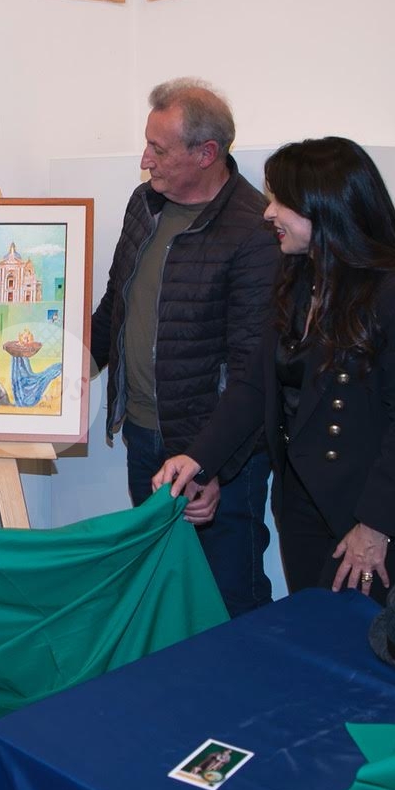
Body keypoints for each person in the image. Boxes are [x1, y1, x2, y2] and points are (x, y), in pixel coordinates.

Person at [154, 137, 395, 606]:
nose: (269, 213)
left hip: (373, 516)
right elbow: (254, 386)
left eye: (282, 202)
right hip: (303, 507)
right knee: (312, 637)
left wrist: (374, 527)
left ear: (326, 210)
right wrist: (198, 459)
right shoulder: (296, 279)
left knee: (357, 645)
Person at [89, 78, 279, 617]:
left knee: (227, 599)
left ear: (206, 153)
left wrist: (209, 464)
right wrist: (63, 374)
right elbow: (116, 306)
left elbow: (251, 372)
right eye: (146, 144)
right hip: (144, 439)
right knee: (162, 590)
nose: (144, 160)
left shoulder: (254, 230)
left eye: (159, 149)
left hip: (218, 455)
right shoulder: (144, 204)